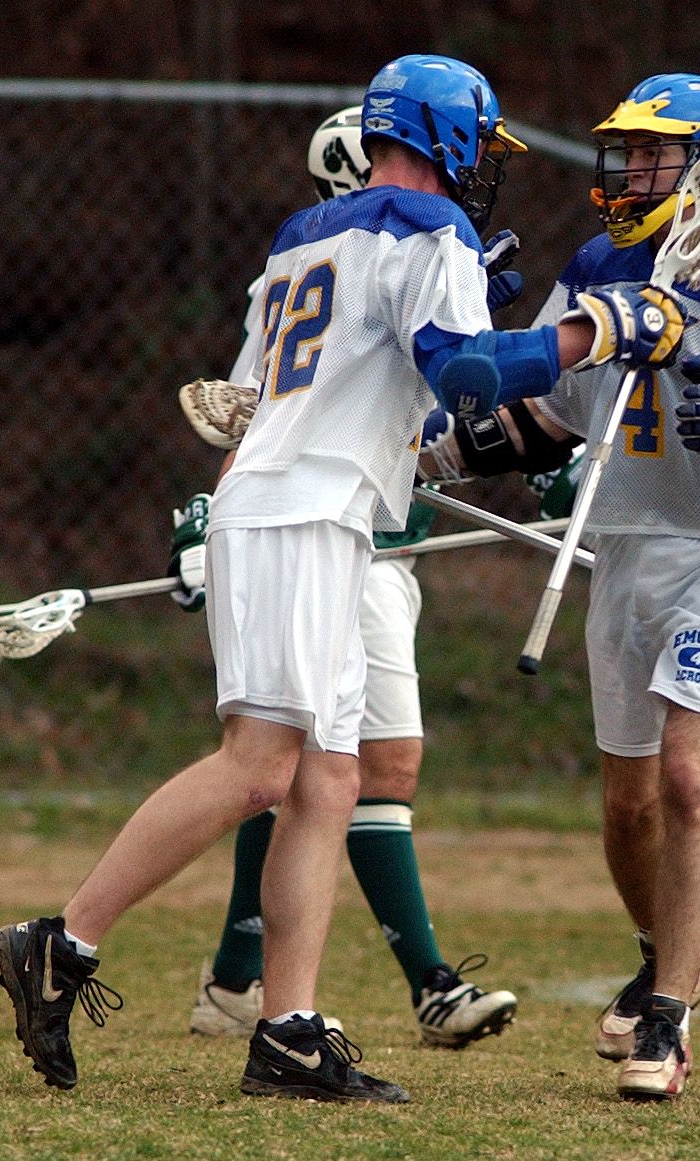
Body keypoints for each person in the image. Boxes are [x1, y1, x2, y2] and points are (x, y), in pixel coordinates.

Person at [0, 53, 678, 1103]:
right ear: (448, 138)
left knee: (330, 780)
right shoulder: (433, 228)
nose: (484, 170)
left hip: (306, 507)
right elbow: (468, 376)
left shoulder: (304, 232)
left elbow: (358, 367)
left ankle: (289, 1030)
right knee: (260, 768)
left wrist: (479, 315)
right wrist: (600, 332)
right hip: (302, 510)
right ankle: (64, 940)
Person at [418, 73, 700, 1100]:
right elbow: (549, 419)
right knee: (627, 808)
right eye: (626, 151)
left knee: (686, 778)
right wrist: (424, 454)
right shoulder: (598, 265)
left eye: (654, 152)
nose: (628, 170)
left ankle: (668, 1016)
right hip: (628, 538)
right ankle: (660, 951)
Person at [175, 106, 534, 1052]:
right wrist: (565, 344)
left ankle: (251, 987)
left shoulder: (321, 247)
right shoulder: (400, 241)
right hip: (327, 528)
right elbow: (291, 413)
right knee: (290, 762)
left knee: (323, 768)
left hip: (359, 534)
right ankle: (411, 982)